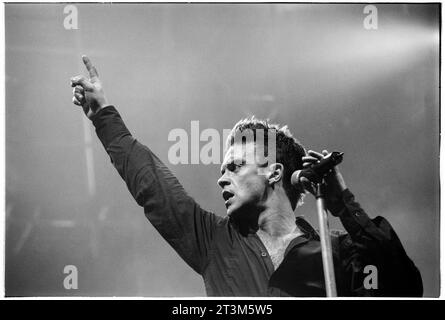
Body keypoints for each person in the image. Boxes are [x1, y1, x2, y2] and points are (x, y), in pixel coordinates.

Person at [70, 56, 423, 297]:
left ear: (275, 171)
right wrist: (103, 115)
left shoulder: (337, 251)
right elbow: (152, 184)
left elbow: (404, 288)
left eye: (235, 167)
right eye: (222, 171)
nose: (222, 179)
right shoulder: (213, 241)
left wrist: (343, 205)